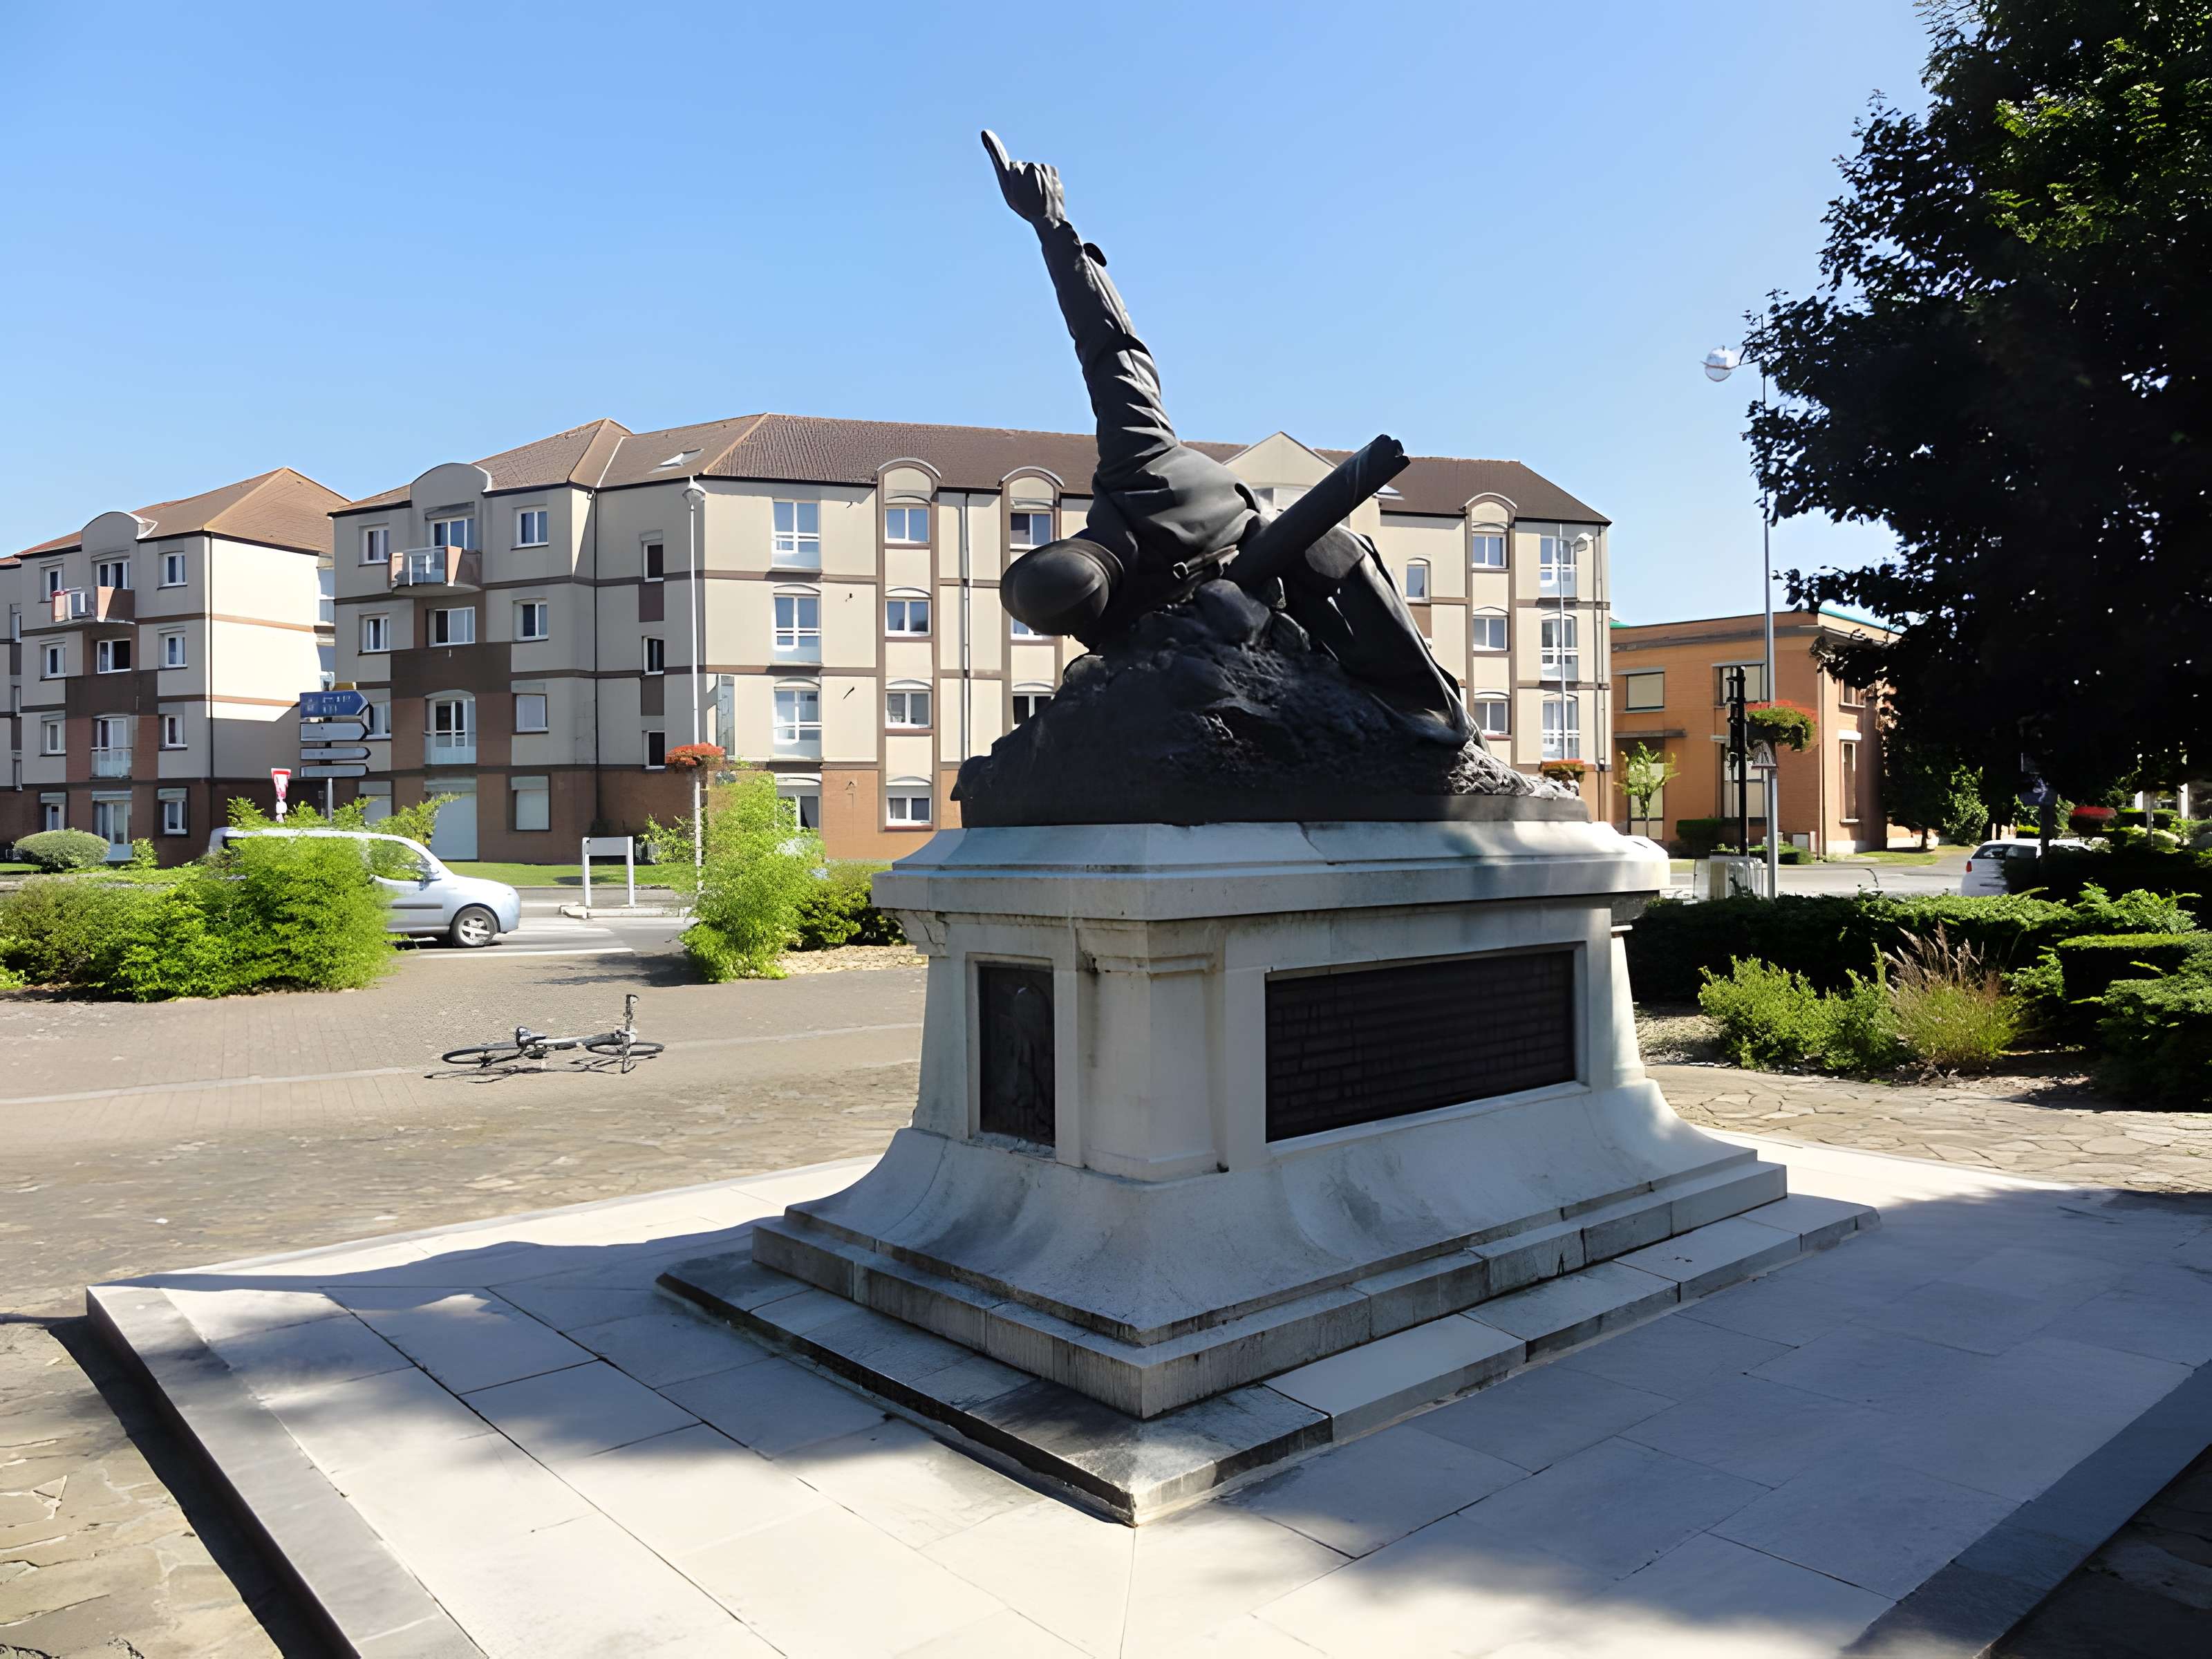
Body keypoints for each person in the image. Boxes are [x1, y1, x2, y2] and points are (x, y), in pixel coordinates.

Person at [984, 131, 1470, 744]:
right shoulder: (1118, 629)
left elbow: (1109, 345)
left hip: (1291, 564)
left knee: (1336, 553)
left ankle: (1436, 717)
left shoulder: (1142, 466)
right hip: (1243, 642)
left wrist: (1055, 229)